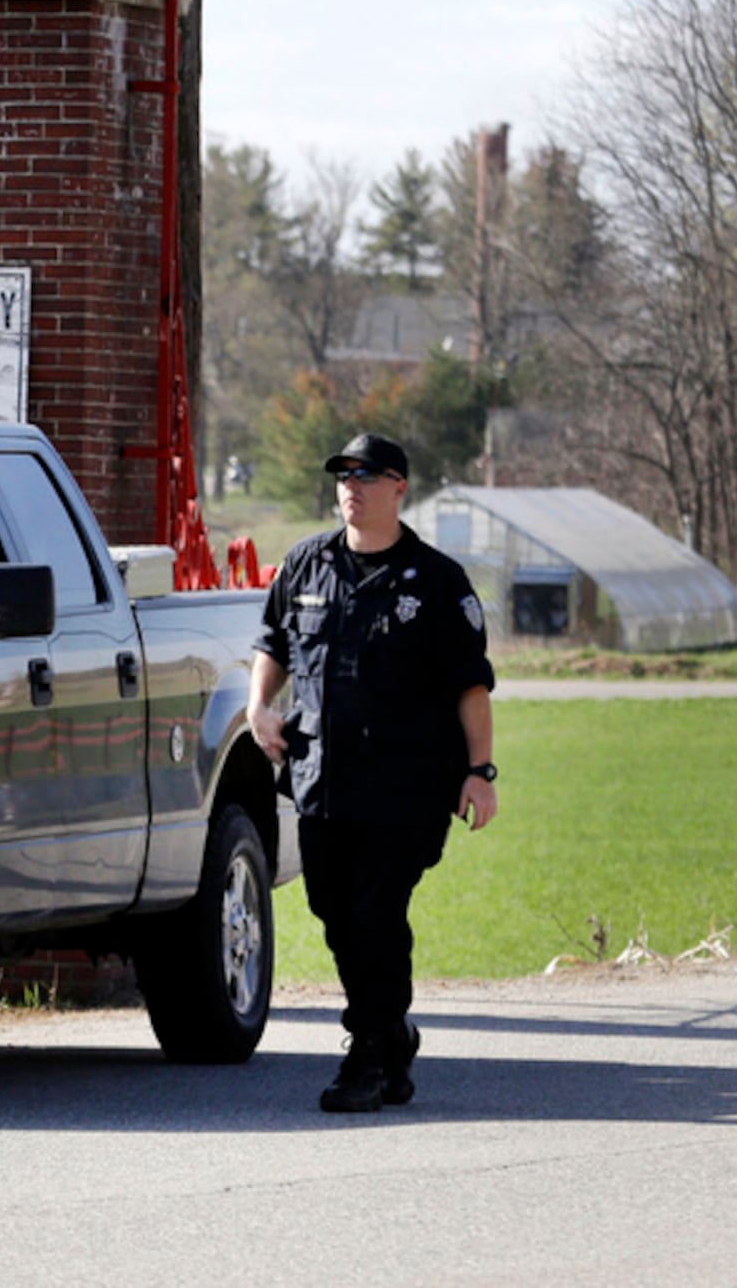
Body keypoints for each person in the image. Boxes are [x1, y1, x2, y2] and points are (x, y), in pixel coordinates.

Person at [247, 432, 498, 1114]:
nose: (350, 487)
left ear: (399, 489)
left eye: (367, 476)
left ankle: (365, 1053)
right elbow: (273, 643)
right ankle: (394, 1035)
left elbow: (470, 687)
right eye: (343, 476)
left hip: (408, 783)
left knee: (376, 911)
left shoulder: (437, 580)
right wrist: (258, 706)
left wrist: (480, 771)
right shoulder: (305, 564)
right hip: (323, 778)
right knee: (334, 910)